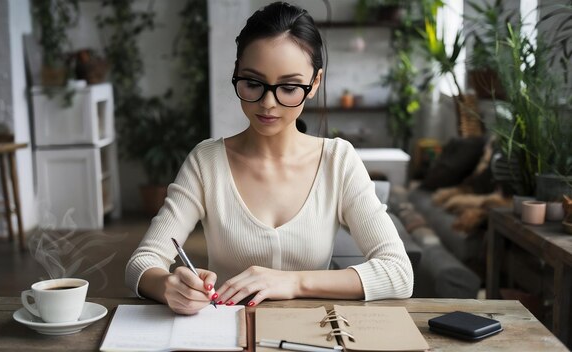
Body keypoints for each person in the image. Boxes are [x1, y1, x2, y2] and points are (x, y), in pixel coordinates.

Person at [126, 1, 413, 315]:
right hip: (224, 334)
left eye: (289, 87)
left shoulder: (338, 161)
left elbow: (398, 272)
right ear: (236, 74)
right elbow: (142, 263)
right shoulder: (207, 161)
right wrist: (169, 286)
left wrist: (291, 282)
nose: (267, 104)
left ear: (314, 83)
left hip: (309, 336)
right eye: (252, 84)